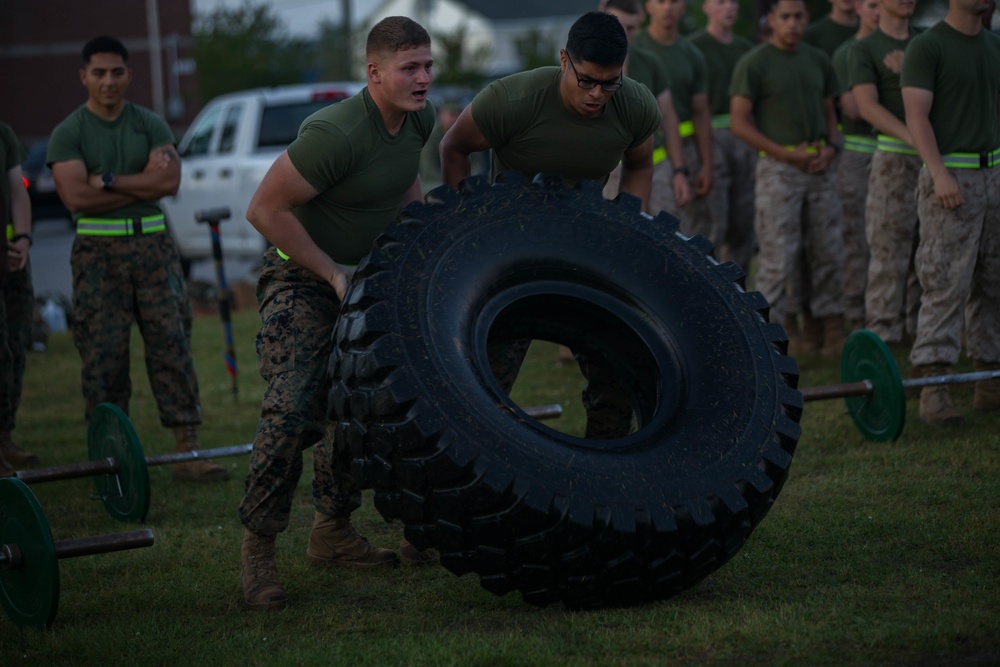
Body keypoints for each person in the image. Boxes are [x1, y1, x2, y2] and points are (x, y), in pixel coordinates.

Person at [238, 17, 438, 611]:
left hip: (367, 278)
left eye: (428, 65)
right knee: (296, 404)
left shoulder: (419, 117)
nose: (424, 78)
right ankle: (258, 549)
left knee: (364, 403)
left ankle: (332, 531)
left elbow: (405, 183)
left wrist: (420, 242)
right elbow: (264, 210)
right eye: (410, 68)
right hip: (302, 276)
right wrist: (330, 272)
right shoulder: (336, 131)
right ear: (375, 73)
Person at [440, 11, 661, 439]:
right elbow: (455, 148)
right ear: (565, 60)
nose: (598, 94)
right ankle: (481, 458)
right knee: (486, 374)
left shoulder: (634, 104)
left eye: (609, 82)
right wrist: (467, 225)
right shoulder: (513, 99)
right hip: (510, 249)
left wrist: (626, 226)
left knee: (618, 369)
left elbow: (640, 164)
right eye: (587, 80)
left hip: (585, 244)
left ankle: (609, 464)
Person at [47, 36, 227, 482]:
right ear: (84, 76)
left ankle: (188, 452)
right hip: (97, 257)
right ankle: (109, 459)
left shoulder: (150, 125)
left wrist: (106, 181)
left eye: (117, 72)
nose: (109, 81)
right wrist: (137, 182)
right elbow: (74, 196)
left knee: (173, 346)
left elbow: (167, 185)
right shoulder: (70, 132)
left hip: (154, 251)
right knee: (104, 358)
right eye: (99, 73)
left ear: (129, 74)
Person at [901, 0, 1000, 424]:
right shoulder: (928, 46)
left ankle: (989, 379)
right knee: (944, 281)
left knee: (993, 280)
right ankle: (934, 387)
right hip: (951, 178)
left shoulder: (993, 45)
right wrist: (938, 173)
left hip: (993, 174)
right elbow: (916, 116)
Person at [730, 0, 846, 359]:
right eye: (785, 18)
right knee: (779, 256)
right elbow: (738, 123)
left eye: (798, 17)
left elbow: (831, 113)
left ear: (806, 18)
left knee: (827, 251)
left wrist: (831, 146)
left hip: (819, 167)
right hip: (780, 170)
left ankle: (830, 328)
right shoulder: (755, 63)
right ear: (772, 20)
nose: (793, 24)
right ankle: (771, 339)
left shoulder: (818, 59)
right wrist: (785, 154)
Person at [849, 0, 922, 349]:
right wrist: (917, 139)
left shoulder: (927, 43)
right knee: (888, 253)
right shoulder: (864, 48)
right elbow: (867, 107)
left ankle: (920, 338)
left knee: (927, 256)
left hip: (936, 161)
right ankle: (883, 344)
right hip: (895, 161)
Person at [599, 0, 690, 210]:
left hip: (654, 166)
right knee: (615, 237)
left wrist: (679, 171)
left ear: (639, 23)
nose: (623, 34)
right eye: (617, 26)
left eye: (630, 28)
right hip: (608, 170)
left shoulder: (649, 62)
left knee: (663, 235)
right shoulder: (590, 67)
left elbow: (668, 116)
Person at [634, 0, 714, 236]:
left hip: (685, 150)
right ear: (648, 7)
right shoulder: (634, 51)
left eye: (674, 2)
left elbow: (701, 112)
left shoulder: (692, 54)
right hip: (645, 151)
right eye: (661, 1)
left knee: (683, 227)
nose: (668, 8)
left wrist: (707, 165)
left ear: (684, 7)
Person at [690, 0, 758, 274]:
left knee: (744, 222)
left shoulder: (746, 49)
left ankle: (738, 287)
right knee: (712, 222)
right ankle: (705, 282)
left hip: (745, 137)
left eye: (733, 2)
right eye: (720, 2)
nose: (729, 8)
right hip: (710, 137)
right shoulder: (695, 47)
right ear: (706, 7)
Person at [830, 0, 879, 332]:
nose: (877, 11)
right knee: (855, 234)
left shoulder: (915, 45)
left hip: (906, 152)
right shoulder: (848, 52)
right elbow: (855, 110)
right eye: (871, 4)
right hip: (857, 155)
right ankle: (856, 310)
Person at [0, 121, 39, 477]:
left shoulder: (4, 133)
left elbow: (17, 189)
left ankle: (5, 436)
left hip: (10, 258)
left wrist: (24, 238)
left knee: (13, 347)